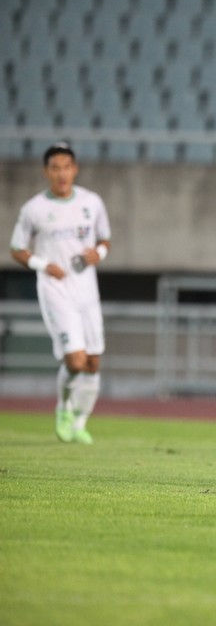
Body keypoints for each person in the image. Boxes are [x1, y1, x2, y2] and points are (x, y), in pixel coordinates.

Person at [9, 142, 112, 444]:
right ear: (46, 171)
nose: (62, 173)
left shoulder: (92, 203)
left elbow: (105, 240)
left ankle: (79, 423)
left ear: (75, 169)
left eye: (66, 167)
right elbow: (17, 249)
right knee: (76, 361)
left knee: (93, 362)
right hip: (56, 290)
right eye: (55, 167)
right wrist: (43, 263)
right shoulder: (34, 209)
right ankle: (63, 407)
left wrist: (100, 254)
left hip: (87, 292)